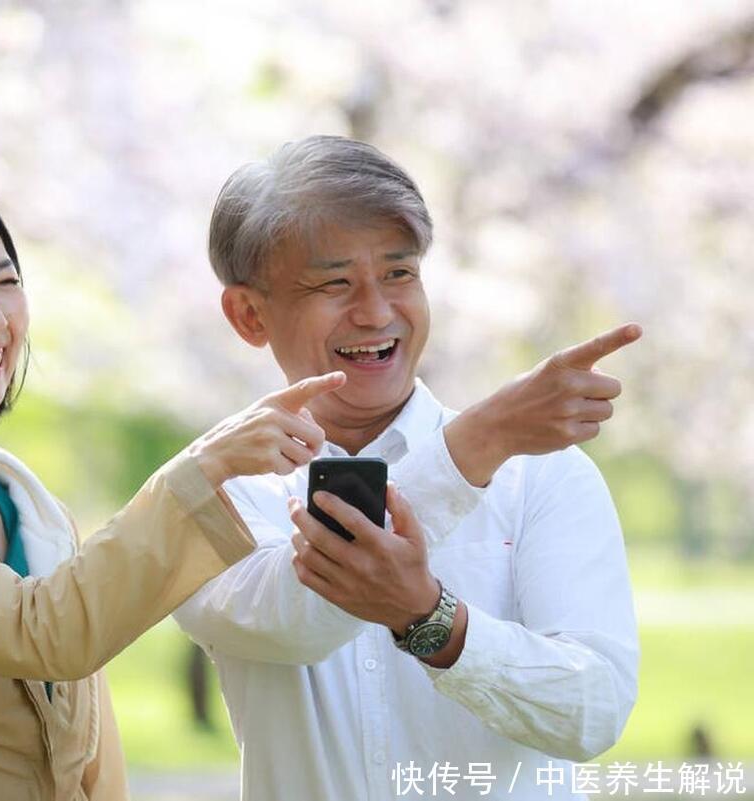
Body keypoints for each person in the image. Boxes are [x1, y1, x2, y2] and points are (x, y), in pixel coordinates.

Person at [0, 157, 350, 800]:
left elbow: (96, 767)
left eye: (6, 282)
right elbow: (48, 633)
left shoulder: (33, 512)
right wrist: (204, 469)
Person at [174, 136, 642, 800]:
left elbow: (593, 711)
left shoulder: (541, 475)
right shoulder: (209, 490)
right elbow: (288, 622)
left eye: (399, 273)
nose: (375, 312)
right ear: (249, 314)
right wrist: (474, 445)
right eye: (334, 282)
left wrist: (434, 621)